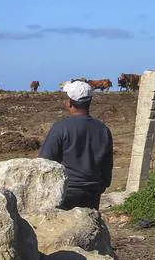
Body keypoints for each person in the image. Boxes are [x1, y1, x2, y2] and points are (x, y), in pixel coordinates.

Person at [39, 80, 113, 209]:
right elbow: (107, 164)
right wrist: (103, 184)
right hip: (93, 192)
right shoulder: (103, 129)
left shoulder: (60, 128)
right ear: (89, 102)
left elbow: (45, 160)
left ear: (69, 103)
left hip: (67, 191)